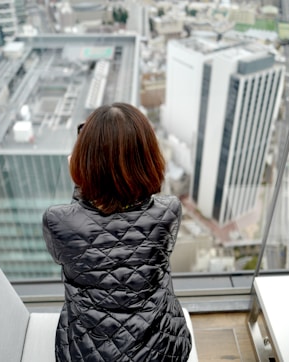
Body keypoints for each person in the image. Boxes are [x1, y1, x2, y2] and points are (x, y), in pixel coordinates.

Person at [42, 102, 192, 361]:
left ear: (82, 161)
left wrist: (80, 182)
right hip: (163, 349)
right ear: (149, 158)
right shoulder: (169, 211)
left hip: (85, 353)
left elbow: (66, 253)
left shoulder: (58, 220)